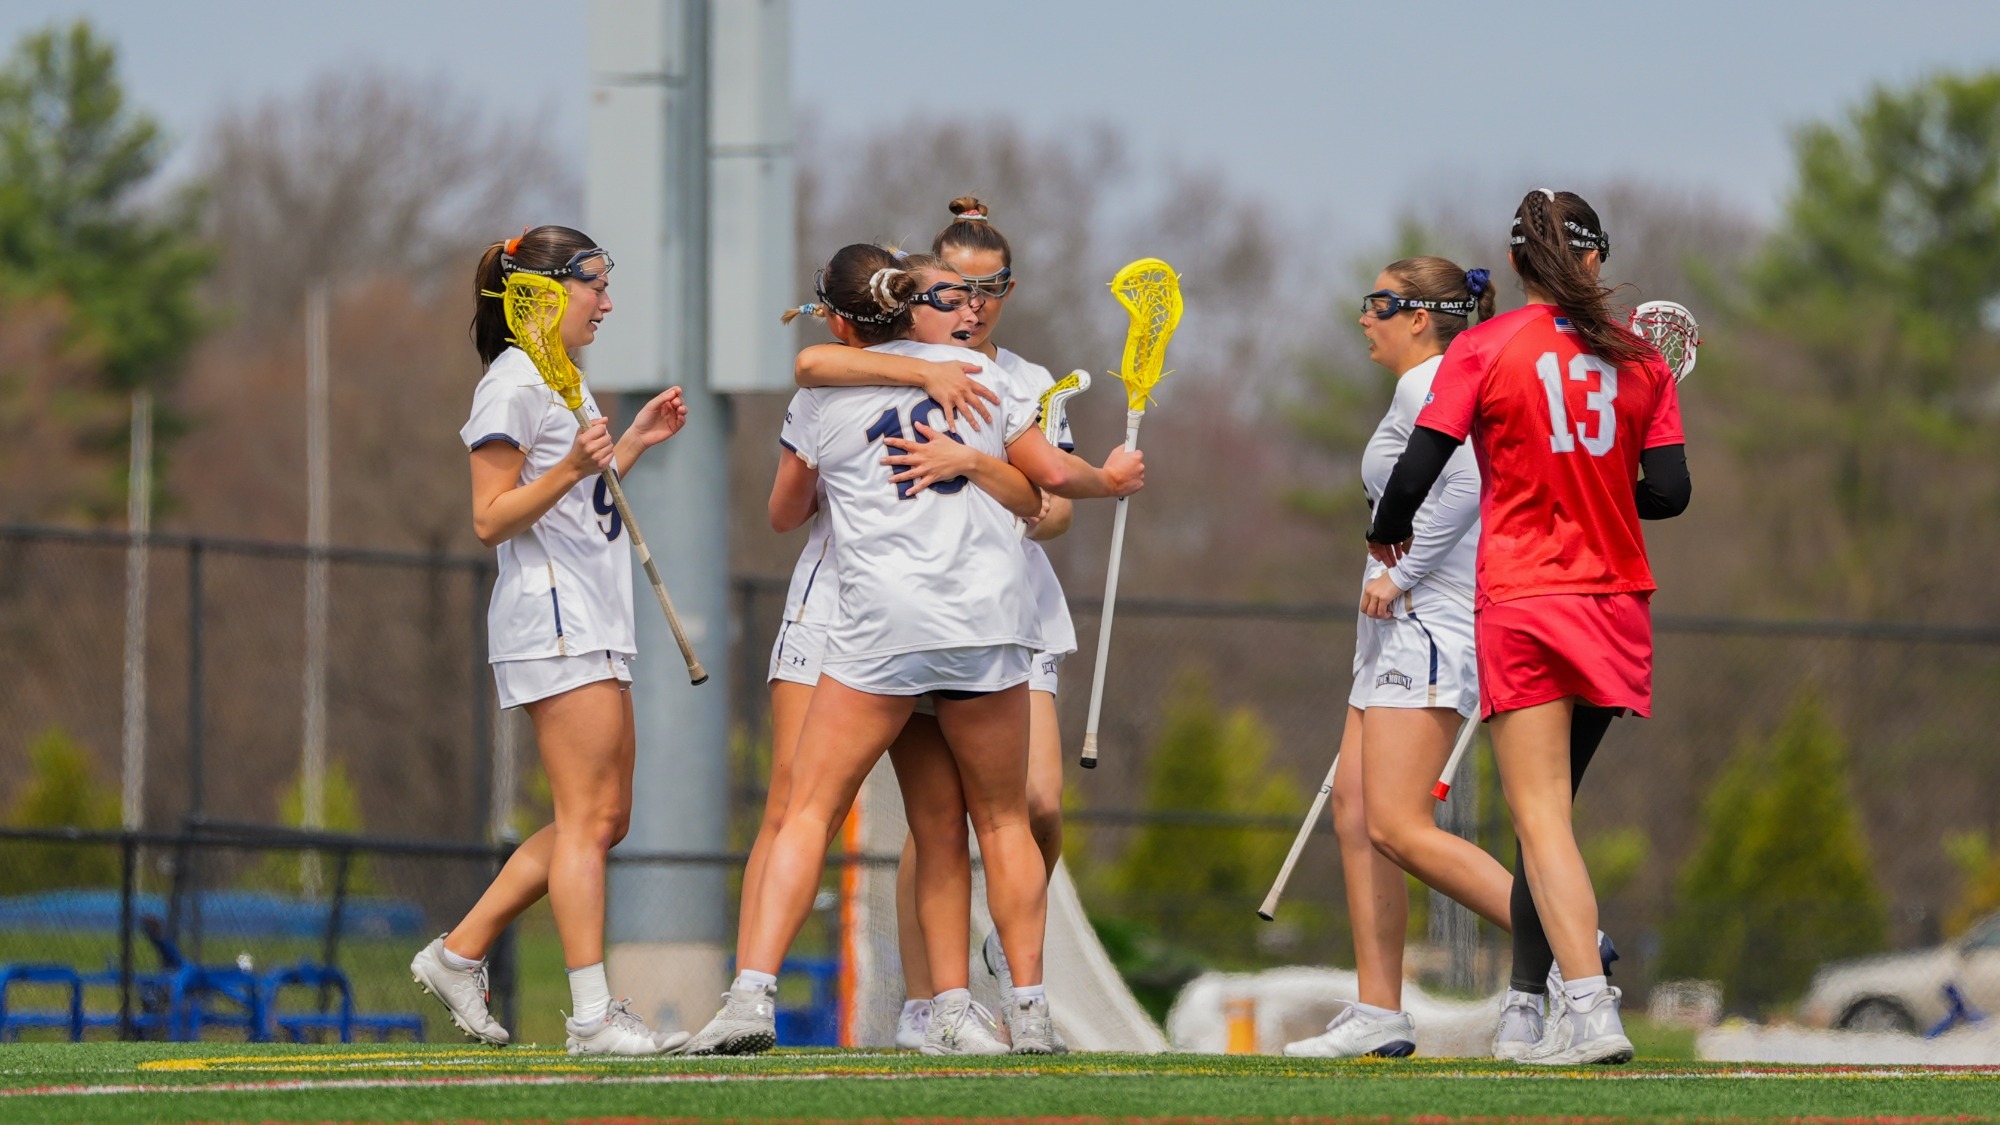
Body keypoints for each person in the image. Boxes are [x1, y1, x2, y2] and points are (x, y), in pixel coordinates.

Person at [685, 246, 1143, 1057]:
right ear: (915, 301)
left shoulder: (824, 396)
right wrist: (1109, 479)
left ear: (842, 314)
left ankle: (751, 998)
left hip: (880, 634)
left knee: (807, 814)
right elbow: (1050, 481)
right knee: (998, 823)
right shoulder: (989, 376)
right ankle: (1030, 1015)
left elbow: (787, 506)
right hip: (983, 629)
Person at [1366, 190, 1691, 1065]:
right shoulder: (1640, 363)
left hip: (1529, 601)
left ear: (1516, 264)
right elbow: (1669, 492)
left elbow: (1418, 469)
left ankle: (1588, 1008)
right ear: (1593, 261)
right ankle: (1521, 1009)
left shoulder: (1484, 345)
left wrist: (1384, 536)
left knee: (1542, 816)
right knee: (1547, 812)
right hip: (1617, 605)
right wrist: (1594, 478)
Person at [789, 199, 1081, 1048]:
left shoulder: (1025, 381)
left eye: (986, 289)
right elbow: (815, 363)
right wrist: (916, 375)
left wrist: (981, 467)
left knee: (1035, 803)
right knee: (934, 816)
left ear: (1008, 290)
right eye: (952, 288)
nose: (970, 304)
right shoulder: (880, 366)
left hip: (1004, 609)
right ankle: (934, 1001)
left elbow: (1052, 508)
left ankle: (1007, 946)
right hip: (900, 618)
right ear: (917, 289)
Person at [412, 225, 692, 1056]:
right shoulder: (510, 386)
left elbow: (580, 504)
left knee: (606, 818)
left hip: (597, 618)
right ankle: (591, 1016)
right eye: (594, 283)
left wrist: (630, 442)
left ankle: (458, 952)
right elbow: (490, 516)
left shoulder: (563, 381)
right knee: (583, 819)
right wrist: (571, 466)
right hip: (553, 619)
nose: (608, 301)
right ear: (541, 292)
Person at [1282, 256, 1511, 1059]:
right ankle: (1379, 1010)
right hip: (1392, 627)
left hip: (1427, 624)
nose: (1362, 318)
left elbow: (1468, 484)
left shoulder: (1434, 383)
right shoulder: (1422, 383)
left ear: (1422, 315)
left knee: (1398, 824)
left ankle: (1574, 948)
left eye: (1377, 303)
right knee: (1354, 812)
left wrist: (1398, 574)